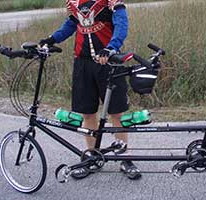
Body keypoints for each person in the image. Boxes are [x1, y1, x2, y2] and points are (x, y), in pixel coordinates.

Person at [40, 0, 141, 180]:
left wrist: (111, 47)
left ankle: (125, 158)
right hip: (83, 63)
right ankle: (92, 157)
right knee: (88, 113)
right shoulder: (73, 1)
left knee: (116, 113)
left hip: (109, 61)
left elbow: (121, 23)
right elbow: (72, 23)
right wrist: (53, 38)